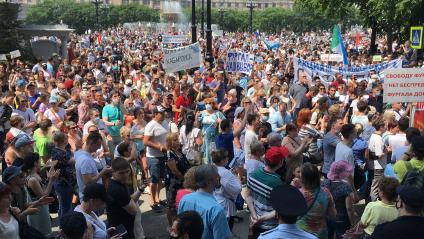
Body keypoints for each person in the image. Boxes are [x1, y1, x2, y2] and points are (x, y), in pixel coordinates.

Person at [178, 164, 231, 239]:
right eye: (217, 176)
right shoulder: (217, 210)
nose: (219, 178)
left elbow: (180, 227)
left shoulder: (185, 199)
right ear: (209, 182)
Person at [245, 146, 287, 238]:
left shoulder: (254, 174)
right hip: (270, 227)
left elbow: (247, 195)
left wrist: (254, 214)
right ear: (280, 163)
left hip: (254, 221)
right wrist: (262, 218)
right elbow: (279, 210)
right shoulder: (278, 183)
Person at [22, 152, 60, 236]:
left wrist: (48, 176)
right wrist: (51, 180)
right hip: (38, 211)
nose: (40, 164)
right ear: (35, 163)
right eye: (39, 161)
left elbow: (43, 188)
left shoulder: (34, 175)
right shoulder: (32, 179)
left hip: (41, 208)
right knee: (41, 233)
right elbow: (44, 196)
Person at [297, 163, 337, 239]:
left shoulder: (298, 194)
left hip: (301, 232)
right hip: (320, 233)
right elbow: (333, 214)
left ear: (303, 178)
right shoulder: (326, 192)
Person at [106, 157, 143, 239]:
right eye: (121, 173)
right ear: (113, 172)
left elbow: (129, 199)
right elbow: (134, 211)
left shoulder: (119, 183)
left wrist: (140, 189)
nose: (125, 175)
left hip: (123, 227)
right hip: (121, 230)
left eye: (127, 172)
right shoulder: (117, 189)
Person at [322, 160, 356, 239]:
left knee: (328, 236)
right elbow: (349, 208)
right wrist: (353, 222)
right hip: (341, 219)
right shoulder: (345, 187)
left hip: (327, 216)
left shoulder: (324, 183)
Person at [144, 105, 169, 212]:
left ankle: (158, 199)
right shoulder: (150, 125)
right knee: (154, 180)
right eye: (161, 113)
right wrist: (159, 146)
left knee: (160, 179)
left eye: (164, 113)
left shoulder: (165, 122)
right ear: (155, 114)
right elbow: (145, 141)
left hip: (163, 155)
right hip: (153, 156)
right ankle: (152, 201)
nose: (163, 115)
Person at [75, 131, 112, 201]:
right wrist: (103, 172)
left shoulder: (82, 155)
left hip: (91, 197)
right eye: (98, 145)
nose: (99, 148)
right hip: (90, 199)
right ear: (91, 143)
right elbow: (88, 182)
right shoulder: (85, 160)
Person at [211, 149, 242, 231]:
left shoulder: (212, 168)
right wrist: (237, 176)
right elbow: (237, 189)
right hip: (225, 205)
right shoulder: (225, 173)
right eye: (226, 157)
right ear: (222, 160)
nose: (228, 159)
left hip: (215, 200)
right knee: (226, 230)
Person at [165, 132, 191, 225]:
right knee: (171, 206)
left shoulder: (179, 152)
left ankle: (179, 225)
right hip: (174, 184)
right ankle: (171, 226)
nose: (177, 142)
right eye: (174, 140)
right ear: (169, 142)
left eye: (177, 139)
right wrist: (185, 179)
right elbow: (174, 171)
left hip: (182, 183)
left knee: (180, 204)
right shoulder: (169, 153)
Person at [51, 131, 75, 219]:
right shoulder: (59, 153)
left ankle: (63, 225)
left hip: (66, 182)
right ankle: (65, 227)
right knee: (66, 207)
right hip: (63, 183)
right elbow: (72, 160)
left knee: (63, 205)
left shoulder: (60, 150)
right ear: (64, 141)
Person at [367, 118, 387, 202]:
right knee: (375, 187)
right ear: (381, 127)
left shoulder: (373, 135)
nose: (386, 128)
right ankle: (373, 204)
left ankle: (368, 201)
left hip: (373, 165)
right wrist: (386, 151)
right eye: (385, 126)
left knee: (372, 185)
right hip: (378, 166)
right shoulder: (378, 138)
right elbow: (378, 155)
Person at [102, 90, 125, 157]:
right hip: (111, 136)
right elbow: (105, 121)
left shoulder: (121, 106)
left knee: (121, 155)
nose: (117, 98)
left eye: (118, 96)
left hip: (120, 135)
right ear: (111, 98)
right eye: (114, 96)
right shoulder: (106, 108)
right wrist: (113, 124)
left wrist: (120, 103)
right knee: (112, 155)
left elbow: (126, 112)